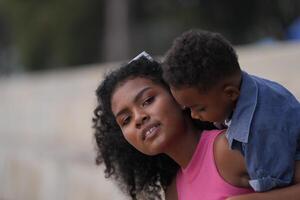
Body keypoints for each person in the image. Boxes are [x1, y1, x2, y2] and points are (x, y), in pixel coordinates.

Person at [93, 52, 300, 200]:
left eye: (148, 101)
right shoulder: (174, 191)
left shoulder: (227, 149)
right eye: (125, 120)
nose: (139, 118)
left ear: (178, 97)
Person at [162, 29, 300, 192]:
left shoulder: (258, 132)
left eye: (199, 108)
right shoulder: (245, 87)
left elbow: (281, 191)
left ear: (230, 94)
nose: (193, 115)